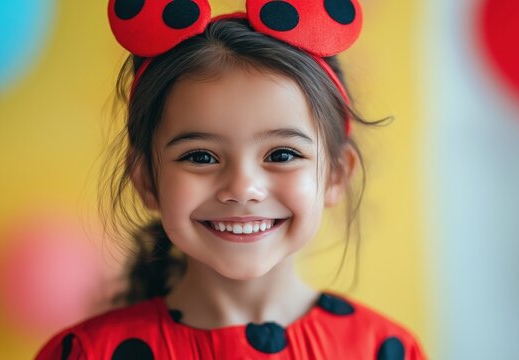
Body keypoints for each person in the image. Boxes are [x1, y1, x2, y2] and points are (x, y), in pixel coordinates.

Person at [36, 1, 426, 359]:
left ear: (337, 175)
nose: (242, 187)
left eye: (282, 155)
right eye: (200, 157)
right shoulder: (87, 353)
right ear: (146, 179)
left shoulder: (384, 350)